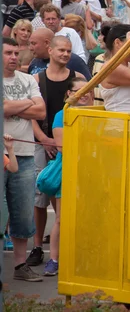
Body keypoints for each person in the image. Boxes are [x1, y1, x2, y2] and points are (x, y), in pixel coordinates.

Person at [29, 35, 86, 268]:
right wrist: (44, 140)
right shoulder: (37, 78)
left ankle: (61, 248)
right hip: (43, 141)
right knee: (40, 197)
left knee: (64, 201)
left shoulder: (78, 79)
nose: (65, 54)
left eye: (68, 50)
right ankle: (36, 246)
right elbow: (32, 113)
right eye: (61, 49)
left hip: (67, 142)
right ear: (50, 51)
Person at [3, 37, 46, 282]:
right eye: (8, 52)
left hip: (25, 155)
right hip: (2, 154)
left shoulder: (28, 79)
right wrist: (28, 102)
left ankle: (20, 266)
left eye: (16, 53)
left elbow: (40, 112)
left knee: (22, 213)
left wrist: (11, 105)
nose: (14, 57)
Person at [42, 77, 92, 276]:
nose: (84, 94)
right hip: (70, 171)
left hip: (93, 171)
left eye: (87, 90)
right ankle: (54, 259)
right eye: (78, 90)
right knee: (62, 219)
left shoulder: (97, 113)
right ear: (69, 94)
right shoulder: (61, 115)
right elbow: (63, 147)